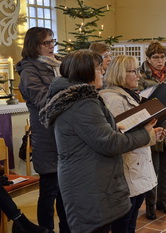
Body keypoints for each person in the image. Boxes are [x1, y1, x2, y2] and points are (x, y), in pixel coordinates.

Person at [38, 50, 155, 233]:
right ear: (86, 72)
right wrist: (145, 133)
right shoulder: (82, 103)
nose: (103, 72)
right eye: (99, 68)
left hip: (91, 179)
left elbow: (97, 134)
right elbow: (109, 143)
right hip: (88, 184)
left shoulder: (80, 99)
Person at [99, 55, 166, 233]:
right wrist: (147, 133)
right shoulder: (113, 100)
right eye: (133, 71)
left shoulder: (129, 95)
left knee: (133, 215)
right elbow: (119, 137)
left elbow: (138, 130)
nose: (138, 75)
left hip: (137, 163)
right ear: (121, 74)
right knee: (124, 221)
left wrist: (155, 133)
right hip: (127, 166)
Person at [17, 27, 70, 233]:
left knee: (64, 192)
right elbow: (43, 101)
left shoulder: (56, 65)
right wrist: (66, 89)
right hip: (46, 137)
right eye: (46, 43)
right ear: (34, 45)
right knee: (49, 192)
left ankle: (66, 229)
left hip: (63, 135)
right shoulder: (29, 71)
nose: (51, 46)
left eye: (52, 41)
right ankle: (45, 230)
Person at [138, 41, 166, 220]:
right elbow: (139, 102)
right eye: (155, 57)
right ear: (148, 58)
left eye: (162, 57)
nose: (160, 61)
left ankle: (163, 200)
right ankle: (151, 205)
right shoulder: (141, 76)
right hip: (152, 124)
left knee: (165, 168)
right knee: (152, 169)